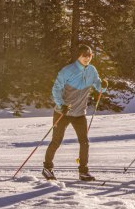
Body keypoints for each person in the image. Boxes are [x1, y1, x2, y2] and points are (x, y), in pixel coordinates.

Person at [42, 44, 105, 182]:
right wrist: (61, 105)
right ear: (78, 56)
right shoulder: (67, 71)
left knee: (85, 142)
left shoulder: (92, 70)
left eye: (89, 55)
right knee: (56, 141)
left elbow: (98, 85)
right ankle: (47, 168)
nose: (87, 58)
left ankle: (83, 172)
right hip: (63, 112)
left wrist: (103, 86)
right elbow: (56, 89)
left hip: (79, 113)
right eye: (84, 55)